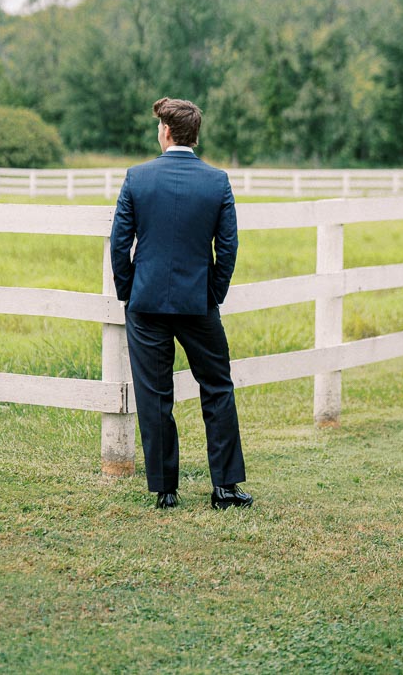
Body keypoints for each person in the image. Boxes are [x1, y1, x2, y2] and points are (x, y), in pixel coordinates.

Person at [110, 97, 252, 510]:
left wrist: (130, 292)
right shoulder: (217, 181)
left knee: (155, 395)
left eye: (159, 127)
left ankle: (166, 491)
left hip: (147, 303)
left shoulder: (137, 178)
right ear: (194, 134)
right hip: (198, 303)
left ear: (167, 132)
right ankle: (225, 488)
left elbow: (120, 245)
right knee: (218, 388)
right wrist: (213, 294)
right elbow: (227, 248)